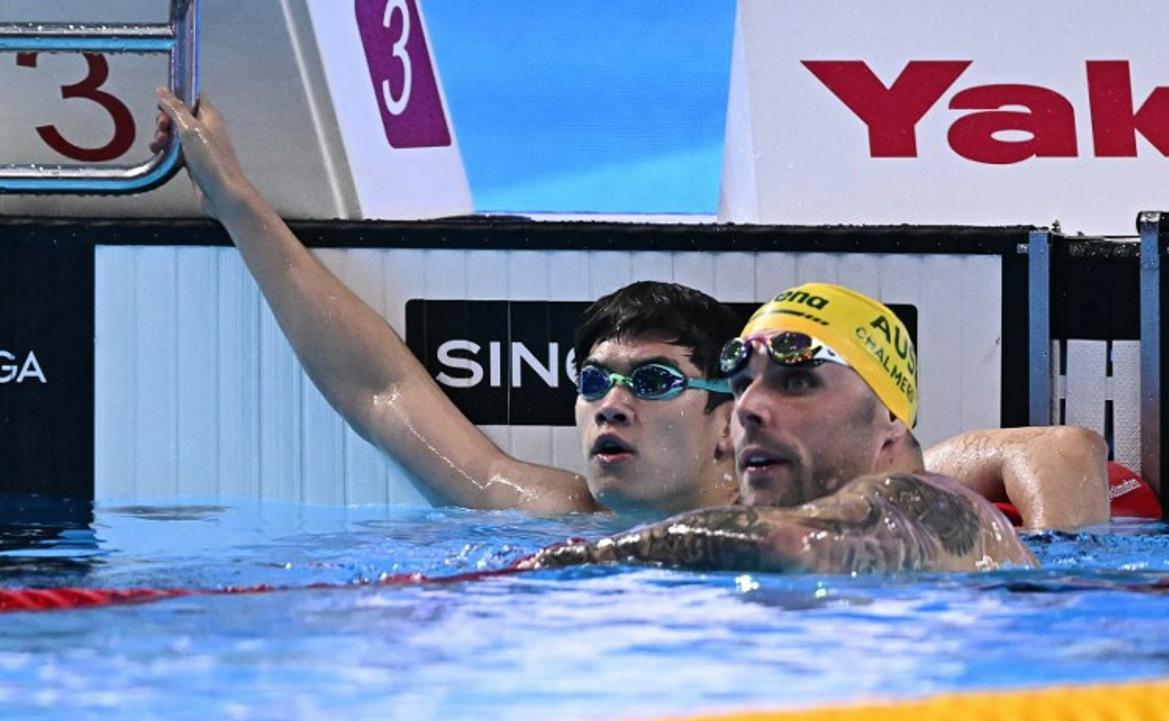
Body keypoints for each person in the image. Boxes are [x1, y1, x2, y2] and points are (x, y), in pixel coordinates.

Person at [153, 92, 1107, 531]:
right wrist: (235, 198)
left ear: (724, 427)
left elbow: (1059, 451)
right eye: (596, 385)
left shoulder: (850, 485)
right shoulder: (551, 512)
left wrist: (1052, 579)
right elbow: (380, 389)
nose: (611, 406)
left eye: (651, 383)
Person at [527, 284, 1040, 573]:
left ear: (889, 422)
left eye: (795, 383)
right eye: (743, 383)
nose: (748, 409)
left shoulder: (933, 506)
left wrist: (580, 562)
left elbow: (796, 543)